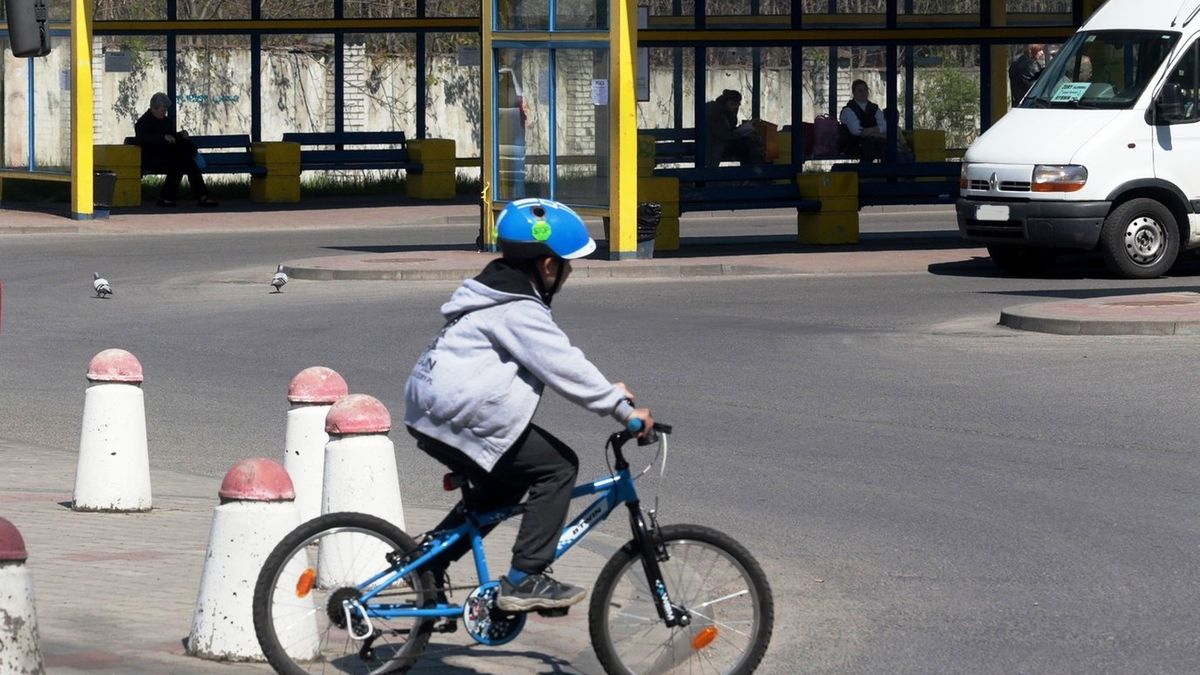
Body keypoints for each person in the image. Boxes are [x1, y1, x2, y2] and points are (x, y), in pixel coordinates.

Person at [404, 198, 654, 612]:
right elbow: (563, 365)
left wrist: (611, 392)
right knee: (557, 468)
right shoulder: (518, 308)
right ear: (548, 266)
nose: (568, 274)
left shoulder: (496, 292)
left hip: (431, 411)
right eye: (567, 265)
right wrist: (622, 409)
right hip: (456, 414)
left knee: (502, 489)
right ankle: (524, 578)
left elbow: (559, 362)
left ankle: (428, 563)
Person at [133, 92, 218, 208]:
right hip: (152, 158)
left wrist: (180, 135)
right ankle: (197, 196)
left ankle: (198, 197)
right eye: (163, 110)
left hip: (168, 155)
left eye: (166, 110)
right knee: (181, 163)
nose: (165, 113)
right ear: (154, 108)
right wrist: (163, 138)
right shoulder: (143, 122)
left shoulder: (166, 121)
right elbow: (142, 139)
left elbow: (171, 137)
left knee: (187, 162)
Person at [703, 89, 765, 167]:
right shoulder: (716, 113)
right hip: (714, 147)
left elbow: (728, 131)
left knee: (749, 144)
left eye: (736, 105)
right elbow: (724, 135)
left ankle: (751, 173)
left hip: (719, 145)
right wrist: (742, 132)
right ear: (725, 103)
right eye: (732, 104)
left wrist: (742, 130)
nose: (735, 107)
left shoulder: (725, 112)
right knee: (747, 146)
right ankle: (751, 173)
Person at [839, 79, 887, 164]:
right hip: (853, 144)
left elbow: (884, 126)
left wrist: (869, 131)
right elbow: (856, 131)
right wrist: (877, 132)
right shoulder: (848, 110)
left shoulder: (874, 108)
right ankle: (864, 173)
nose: (863, 93)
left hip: (874, 141)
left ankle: (886, 173)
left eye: (865, 90)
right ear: (853, 93)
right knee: (870, 146)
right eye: (860, 90)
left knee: (886, 146)